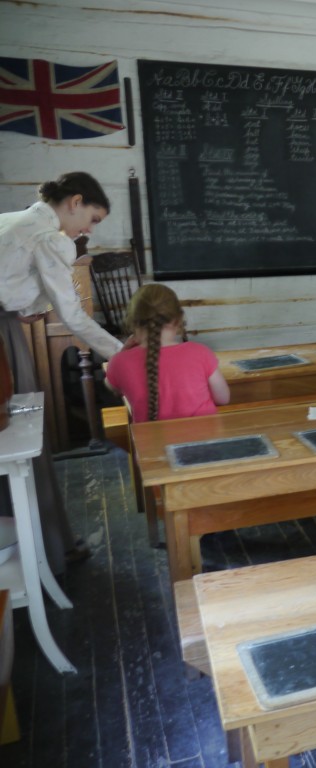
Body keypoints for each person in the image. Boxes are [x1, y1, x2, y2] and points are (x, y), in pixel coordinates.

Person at [0, 172, 125, 571]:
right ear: (74, 201)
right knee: (19, 442)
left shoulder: (11, 220)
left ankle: (28, 545)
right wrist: (120, 355)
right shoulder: (50, 237)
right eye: (92, 218)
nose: (87, 230)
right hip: (3, 338)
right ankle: (43, 550)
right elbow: (72, 315)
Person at [105, 284, 230, 421]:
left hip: (151, 442)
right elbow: (223, 399)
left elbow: (113, 387)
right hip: (207, 440)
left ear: (133, 322)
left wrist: (123, 352)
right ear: (178, 320)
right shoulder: (201, 352)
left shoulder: (119, 362)